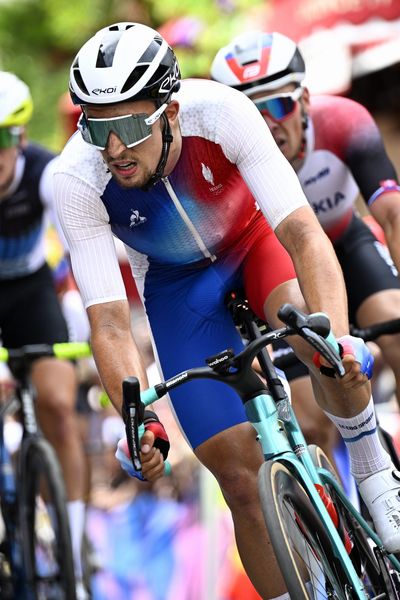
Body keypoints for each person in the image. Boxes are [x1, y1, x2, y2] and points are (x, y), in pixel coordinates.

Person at [54, 22, 400, 599]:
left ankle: (370, 464)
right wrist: (139, 422)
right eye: (98, 125)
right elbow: (109, 323)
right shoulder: (76, 177)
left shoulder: (222, 113)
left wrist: (337, 337)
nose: (113, 147)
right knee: (238, 479)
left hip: (253, 242)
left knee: (314, 336)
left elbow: (306, 236)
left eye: (130, 125)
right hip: (175, 288)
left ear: (170, 112)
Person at [211, 30, 400, 471]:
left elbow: (392, 215)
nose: (270, 124)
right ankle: (350, 532)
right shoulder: (225, 162)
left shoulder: (345, 122)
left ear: (307, 100)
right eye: (253, 116)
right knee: (312, 422)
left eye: (279, 105)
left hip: (345, 247)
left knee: (393, 325)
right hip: (280, 274)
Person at [0, 71, 89, 599]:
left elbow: (81, 249)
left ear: (21, 140)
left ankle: (74, 561)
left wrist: (85, 305)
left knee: (58, 403)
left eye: (1, 142)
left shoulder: (47, 172)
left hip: (32, 293)